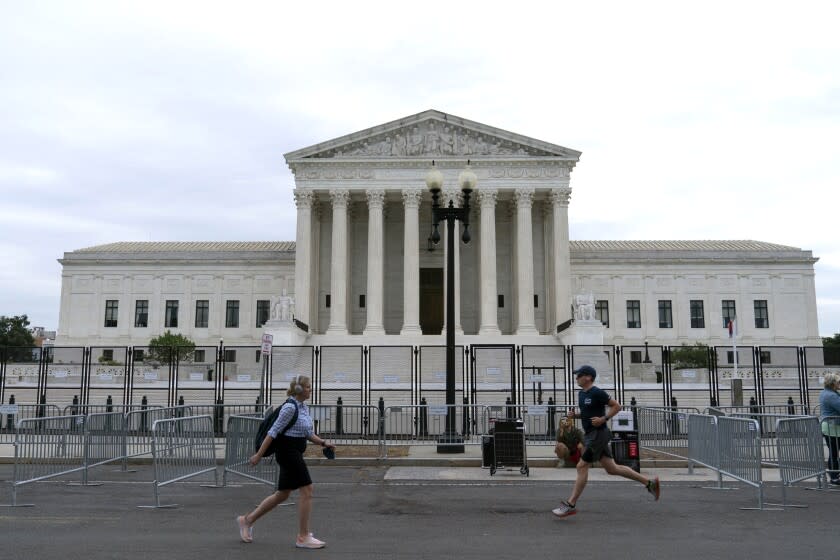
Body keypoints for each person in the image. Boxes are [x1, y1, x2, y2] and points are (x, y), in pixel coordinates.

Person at [236, 375, 336, 548]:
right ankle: (303, 537)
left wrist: (323, 442)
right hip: (287, 452)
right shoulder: (289, 408)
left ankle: (247, 520)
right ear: (298, 389)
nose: (310, 389)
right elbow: (273, 432)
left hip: (295, 451)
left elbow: (307, 433)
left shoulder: (303, 407)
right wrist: (258, 455)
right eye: (307, 387)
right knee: (307, 489)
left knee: (282, 494)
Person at [552, 365, 660, 518]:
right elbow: (587, 413)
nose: (576, 378)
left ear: (588, 377)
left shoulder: (597, 392)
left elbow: (617, 406)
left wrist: (604, 418)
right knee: (612, 469)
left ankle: (571, 504)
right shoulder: (581, 394)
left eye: (579, 375)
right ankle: (650, 483)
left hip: (599, 434)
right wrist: (575, 415)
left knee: (582, 465)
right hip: (591, 434)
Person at [819, 372, 840, 485]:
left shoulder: (828, 393)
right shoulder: (831, 395)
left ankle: (835, 475)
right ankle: (834, 477)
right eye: (838, 382)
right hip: (832, 427)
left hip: (832, 427)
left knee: (834, 452)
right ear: (832, 383)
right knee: (834, 453)